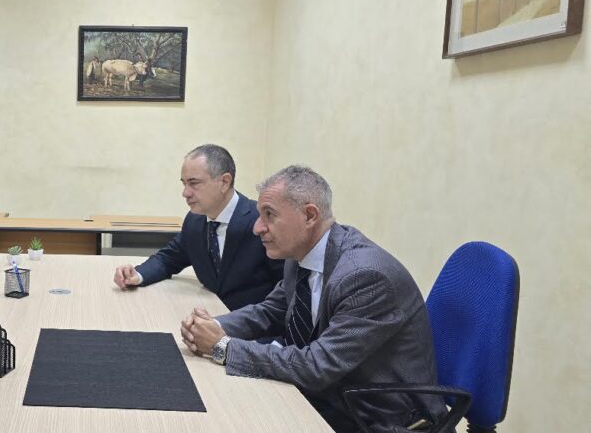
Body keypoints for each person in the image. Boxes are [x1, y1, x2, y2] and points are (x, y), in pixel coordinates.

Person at [180, 165, 445, 432]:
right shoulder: (302, 254)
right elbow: (271, 311)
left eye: (269, 215)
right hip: (333, 393)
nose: (257, 227)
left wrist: (223, 347)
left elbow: (317, 366)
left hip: (377, 418)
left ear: (309, 215)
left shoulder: (365, 276)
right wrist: (214, 326)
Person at [113, 144, 283, 310]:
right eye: (184, 184)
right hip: (207, 315)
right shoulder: (195, 220)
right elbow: (168, 259)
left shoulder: (262, 221)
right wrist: (137, 275)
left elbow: (284, 291)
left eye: (194, 183)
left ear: (224, 182)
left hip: (252, 324)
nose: (185, 193)